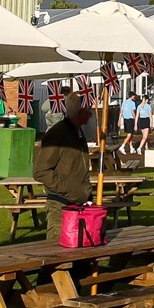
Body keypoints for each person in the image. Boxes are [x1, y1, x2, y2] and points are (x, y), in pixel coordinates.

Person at [33, 94, 95, 228]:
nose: (90, 114)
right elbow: (40, 172)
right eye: (87, 111)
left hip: (79, 203)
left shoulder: (77, 132)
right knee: (57, 246)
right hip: (61, 204)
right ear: (78, 112)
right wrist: (70, 189)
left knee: (82, 244)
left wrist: (84, 191)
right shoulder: (58, 134)